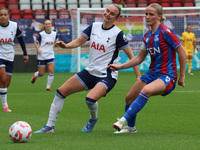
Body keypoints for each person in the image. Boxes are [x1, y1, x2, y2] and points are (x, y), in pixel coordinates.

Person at [34, 4, 141, 133]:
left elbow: (132, 56)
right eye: (107, 11)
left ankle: (93, 119)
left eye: (112, 13)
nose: (108, 14)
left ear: (116, 18)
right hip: (90, 72)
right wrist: (66, 46)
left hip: (107, 75)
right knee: (60, 92)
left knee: (90, 99)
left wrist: (138, 77)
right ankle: (49, 127)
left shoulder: (118, 34)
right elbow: (79, 41)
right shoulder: (94, 26)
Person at [107, 3, 186, 133]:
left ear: (159, 17)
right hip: (152, 74)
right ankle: (131, 128)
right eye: (146, 14)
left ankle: (122, 121)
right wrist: (120, 67)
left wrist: (181, 76)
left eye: (151, 14)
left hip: (167, 75)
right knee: (129, 98)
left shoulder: (166, 32)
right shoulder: (147, 36)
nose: (147, 17)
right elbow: (139, 58)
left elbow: (181, 52)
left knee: (146, 90)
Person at [0, 8, 29, 112]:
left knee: (6, 84)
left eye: (5, 14)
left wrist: (25, 53)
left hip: (10, 57)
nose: (3, 16)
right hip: (0, 57)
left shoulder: (14, 26)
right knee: (3, 79)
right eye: (1, 15)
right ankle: (5, 106)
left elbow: (21, 39)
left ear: (8, 16)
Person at [31, 20, 58, 91]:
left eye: (49, 24)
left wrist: (56, 44)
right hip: (41, 56)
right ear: (44, 26)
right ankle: (36, 74)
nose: (48, 25)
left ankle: (48, 87)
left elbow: (56, 42)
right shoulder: (41, 34)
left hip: (50, 55)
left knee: (51, 72)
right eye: (46, 24)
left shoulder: (55, 34)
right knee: (41, 74)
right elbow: (35, 42)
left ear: (51, 25)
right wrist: (38, 49)